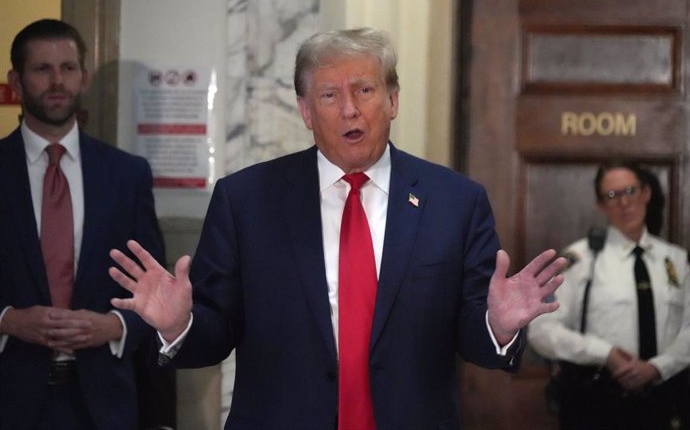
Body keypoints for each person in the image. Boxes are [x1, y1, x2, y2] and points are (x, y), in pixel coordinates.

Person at [109, 27, 566, 430]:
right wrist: (178, 325)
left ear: (392, 100)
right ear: (306, 111)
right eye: (329, 95)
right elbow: (216, 331)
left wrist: (499, 326)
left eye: (365, 90)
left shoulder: (456, 202)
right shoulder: (246, 200)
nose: (349, 110)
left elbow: (474, 337)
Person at [0, 19, 167, 430]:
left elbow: (155, 290)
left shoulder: (127, 175)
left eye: (68, 68)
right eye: (42, 69)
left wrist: (114, 326)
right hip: (9, 398)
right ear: (16, 81)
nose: (57, 81)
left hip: (104, 403)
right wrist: (7, 320)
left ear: (84, 77)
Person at [528, 159, 690, 430]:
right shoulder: (580, 260)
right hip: (595, 402)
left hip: (664, 401)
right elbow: (541, 329)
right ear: (601, 205)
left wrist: (658, 367)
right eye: (612, 196)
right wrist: (604, 353)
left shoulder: (675, 260)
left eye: (630, 191)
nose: (624, 203)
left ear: (646, 192)